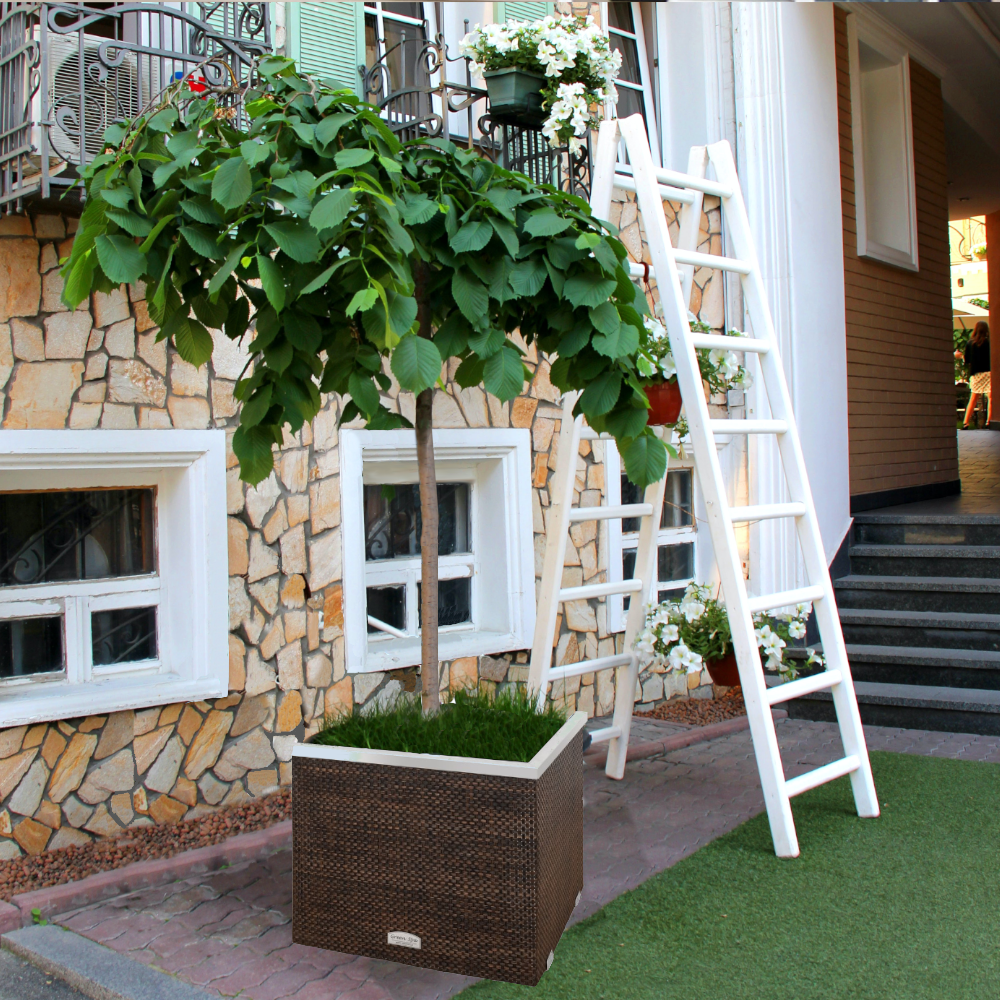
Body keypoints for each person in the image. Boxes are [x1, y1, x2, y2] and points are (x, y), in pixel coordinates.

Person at [956, 321, 991, 428]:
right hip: (988, 373)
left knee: (973, 398)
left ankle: (965, 422)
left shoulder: (970, 343)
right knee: (991, 397)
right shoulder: (989, 342)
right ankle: (989, 421)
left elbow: (967, 360)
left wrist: (959, 356)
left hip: (975, 374)